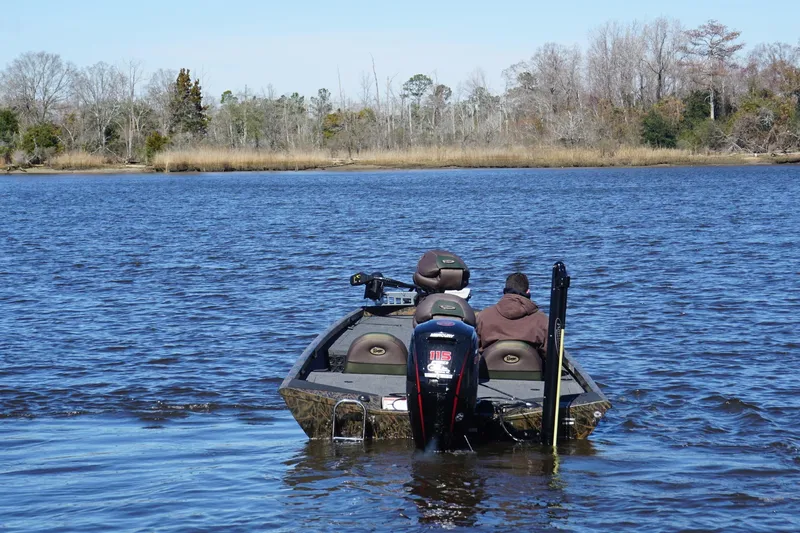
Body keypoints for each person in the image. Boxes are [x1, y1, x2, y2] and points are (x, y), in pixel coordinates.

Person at [475, 272, 549, 359]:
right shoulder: (542, 320)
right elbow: (550, 354)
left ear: (505, 291)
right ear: (528, 292)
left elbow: (474, 349)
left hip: (490, 366)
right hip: (530, 367)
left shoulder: (483, 316)